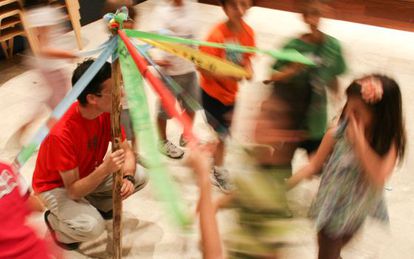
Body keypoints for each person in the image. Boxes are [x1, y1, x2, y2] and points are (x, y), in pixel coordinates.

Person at [32, 60, 148, 250]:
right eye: (115, 90)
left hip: (86, 174)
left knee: (140, 176)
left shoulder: (108, 111)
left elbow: (127, 151)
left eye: (120, 85)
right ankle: (55, 223)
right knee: (92, 227)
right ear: (93, 98)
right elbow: (73, 191)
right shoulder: (61, 134)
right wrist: (104, 169)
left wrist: (127, 177)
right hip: (56, 186)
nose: (123, 93)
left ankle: (97, 203)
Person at [287, 75, 406, 259]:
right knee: (327, 251)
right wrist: (282, 188)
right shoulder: (337, 133)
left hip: (355, 213)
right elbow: (313, 166)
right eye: (349, 107)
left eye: (357, 112)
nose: (350, 115)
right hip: (330, 210)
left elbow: (378, 177)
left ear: (382, 116)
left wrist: (359, 143)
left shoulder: (388, 143)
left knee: (331, 253)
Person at [264, 1, 346, 155]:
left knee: (318, 162)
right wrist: (293, 70)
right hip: (291, 117)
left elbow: (333, 75)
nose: (314, 19)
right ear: (303, 16)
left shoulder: (333, 46)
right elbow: (272, 76)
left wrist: (338, 100)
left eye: (317, 13)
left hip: (316, 118)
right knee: (282, 160)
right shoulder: (293, 45)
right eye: (310, 14)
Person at [199, 0, 255, 192]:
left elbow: (246, 61)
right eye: (234, 5)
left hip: (231, 95)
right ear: (224, 8)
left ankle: (215, 155)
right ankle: (218, 170)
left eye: (243, 4)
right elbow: (202, 68)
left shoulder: (248, 33)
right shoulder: (216, 35)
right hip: (212, 95)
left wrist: (248, 71)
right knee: (222, 135)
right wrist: (231, 74)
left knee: (222, 133)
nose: (239, 10)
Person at [150, 0, 200, 159]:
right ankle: (162, 141)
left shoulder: (191, 6)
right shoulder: (161, 10)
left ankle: (186, 135)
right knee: (165, 111)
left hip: (190, 70)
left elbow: (194, 36)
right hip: (170, 74)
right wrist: (158, 59)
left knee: (193, 107)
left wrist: (198, 57)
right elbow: (154, 40)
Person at [24, 0, 78, 109]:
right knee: (59, 98)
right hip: (51, 66)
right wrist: (67, 54)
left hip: (49, 64)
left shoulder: (36, 13)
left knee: (57, 94)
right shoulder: (43, 14)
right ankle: (53, 121)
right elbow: (44, 49)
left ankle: (39, 118)